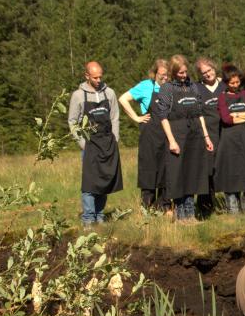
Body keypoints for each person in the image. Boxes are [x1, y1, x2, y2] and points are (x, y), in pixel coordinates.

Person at [157, 55, 212, 222]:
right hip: (177, 135)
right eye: (180, 73)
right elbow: (163, 116)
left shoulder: (193, 86)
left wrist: (206, 137)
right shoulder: (166, 88)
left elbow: (200, 113)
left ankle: (191, 214)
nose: (184, 75)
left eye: (185, 72)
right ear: (173, 73)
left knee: (192, 174)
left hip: (195, 135)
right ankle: (181, 217)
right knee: (178, 176)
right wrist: (172, 141)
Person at [68, 61, 123, 227]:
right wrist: (83, 144)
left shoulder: (110, 93)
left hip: (108, 144)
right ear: (87, 76)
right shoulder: (78, 95)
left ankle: (100, 216)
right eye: (95, 77)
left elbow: (114, 117)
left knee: (104, 181)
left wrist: (115, 138)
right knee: (90, 185)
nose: (99, 80)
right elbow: (73, 122)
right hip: (90, 145)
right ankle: (88, 219)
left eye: (100, 76)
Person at [118, 59, 169, 210]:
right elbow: (123, 99)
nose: (165, 78)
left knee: (165, 169)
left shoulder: (171, 88)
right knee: (149, 168)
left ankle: (164, 206)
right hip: (150, 134)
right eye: (162, 75)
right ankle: (147, 207)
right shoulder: (146, 86)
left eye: (168, 75)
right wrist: (136, 118)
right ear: (154, 74)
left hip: (167, 134)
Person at [216, 64, 245, 214]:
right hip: (229, 140)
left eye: (237, 82)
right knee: (231, 172)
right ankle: (232, 208)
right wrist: (244, 114)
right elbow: (226, 119)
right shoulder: (222, 97)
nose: (235, 85)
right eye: (232, 83)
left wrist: (236, 115)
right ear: (226, 83)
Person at [196, 58, 226, 217]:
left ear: (215, 68)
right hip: (208, 136)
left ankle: (231, 204)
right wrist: (205, 135)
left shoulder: (225, 85)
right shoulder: (197, 88)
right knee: (208, 171)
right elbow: (197, 113)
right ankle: (205, 206)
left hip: (227, 134)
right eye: (204, 72)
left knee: (227, 169)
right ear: (200, 75)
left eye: (209, 70)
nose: (208, 74)